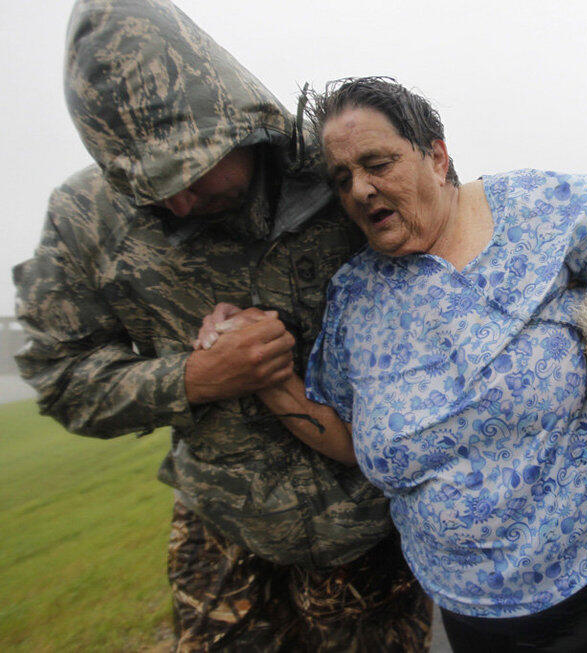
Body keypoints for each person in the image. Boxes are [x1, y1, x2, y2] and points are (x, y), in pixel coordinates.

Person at [14, 3, 429, 651]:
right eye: (145, 187)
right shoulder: (84, 219)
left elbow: (443, 253)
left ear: (235, 123)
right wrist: (193, 376)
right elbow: (63, 377)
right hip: (223, 531)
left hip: (368, 531)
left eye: (185, 171)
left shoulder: (336, 166)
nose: (177, 201)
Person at [212, 77, 587, 651]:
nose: (360, 189)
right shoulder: (355, 297)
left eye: (378, 163)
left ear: (436, 156)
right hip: (465, 603)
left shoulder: (549, 208)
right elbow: (353, 439)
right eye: (342, 178)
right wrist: (268, 376)